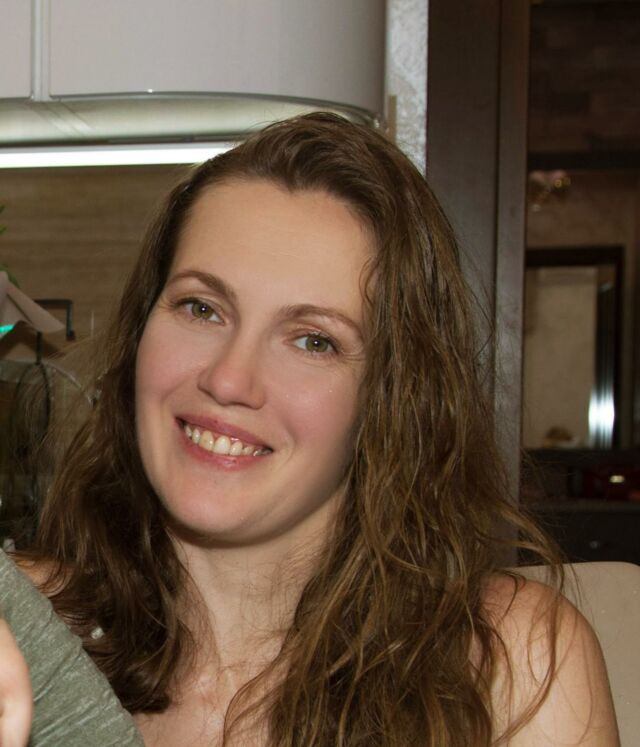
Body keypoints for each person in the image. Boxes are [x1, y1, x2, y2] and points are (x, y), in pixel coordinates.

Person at [12, 112, 618, 745]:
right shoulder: (21, 631)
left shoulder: (513, 666)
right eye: (202, 308)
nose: (229, 380)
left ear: (391, 398)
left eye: (313, 341)